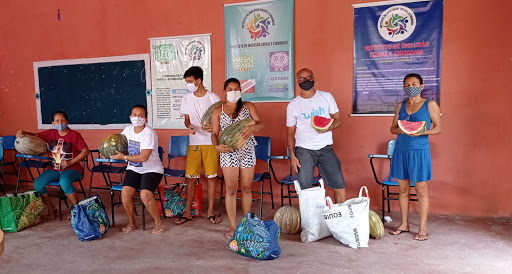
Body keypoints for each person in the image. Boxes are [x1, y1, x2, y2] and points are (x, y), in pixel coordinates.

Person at [388, 73, 441, 241]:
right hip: (401, 151)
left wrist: (422, 131)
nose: (411, 87)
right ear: (404, 88)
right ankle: (404, 224)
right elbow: (393, 129)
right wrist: (404, 129)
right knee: (402, 190)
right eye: (407, 84)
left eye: (414, 83)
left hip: (419, 152)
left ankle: (423, 228)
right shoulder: (400, 105)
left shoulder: (430, 104)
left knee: (421, 191)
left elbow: (438, 128)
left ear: (422, 86)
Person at [210, 78, 264, 238]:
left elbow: (261, 123)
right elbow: (214, 133)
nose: (233, 92)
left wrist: (253, 127)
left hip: (247, 150)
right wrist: (217, 146)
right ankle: (233, 225)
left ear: (241, 91)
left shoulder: (248, 106)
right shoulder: (217, 110)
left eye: (236, 89)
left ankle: (247, 223)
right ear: (224, 91)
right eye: (230, 89)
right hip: (228, 152)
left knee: (247, 188)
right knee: (231, 189)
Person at [287, 68, 346, 203]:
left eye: (309, 77)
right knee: (304, 189)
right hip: (303, 150)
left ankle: (340, 219)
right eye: (302, 79)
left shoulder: (326, 97)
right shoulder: (293, 105)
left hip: (325, 147)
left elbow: (338, 119)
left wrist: (328, 128)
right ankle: (308, 221)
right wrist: (292, 156)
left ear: (314, 78)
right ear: (297, 82)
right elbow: (290, 133)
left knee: (339, 184)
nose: (306, 81)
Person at [16, 110, 90, 220]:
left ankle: (77, 209)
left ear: (67, 121)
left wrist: (69, 162)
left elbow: (86, 151)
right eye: (57, 121)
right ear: (53, 123)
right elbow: (35, 135)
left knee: (64, 181)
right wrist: (24, 133)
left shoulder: (74, 135)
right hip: (55, 168)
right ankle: (51, 207)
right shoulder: (51, 133)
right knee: (38, 184)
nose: (60, 123)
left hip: (73, 168)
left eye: (62, 120)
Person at [175, 66, 222, 225]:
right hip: (194, 143)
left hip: (210, 142)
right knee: (191, 177)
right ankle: (188, 212)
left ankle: (210, 211)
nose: (188, 84)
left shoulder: (213, 97)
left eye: (190, 81)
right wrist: (188, 125)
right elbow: (186, 120)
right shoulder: (186, 98)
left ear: (199, 80)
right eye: (187, 82)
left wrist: (213, 127)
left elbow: (219, 119)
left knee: (211, 177)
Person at [110, 104, 165, 234]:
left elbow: (144, 157)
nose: (137, 118)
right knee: (125, 192)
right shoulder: (127, 131)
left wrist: (124, 157)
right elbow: (118, 144)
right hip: (133, 168)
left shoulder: (149, 133)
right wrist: (109, 150)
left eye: (141, 115)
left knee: (145, 194)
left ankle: (158, 222)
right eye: (134, 115)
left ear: (146, 119)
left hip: (152, 169)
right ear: (130, 117)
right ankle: (131, 222)